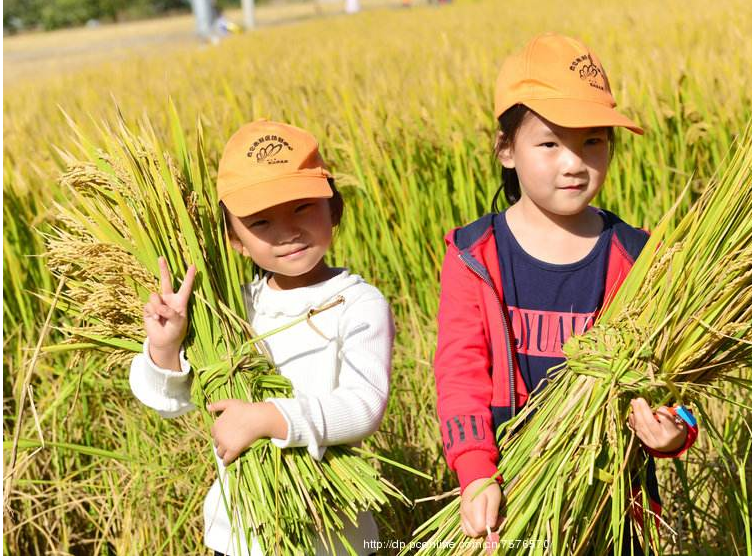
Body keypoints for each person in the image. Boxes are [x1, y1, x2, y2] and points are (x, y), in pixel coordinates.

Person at [432, 33, 699, 554]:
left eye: (592, 142)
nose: (574, 163)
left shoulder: (637, 257)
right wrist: (476, 473)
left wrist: (675, 432)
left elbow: (677, 379)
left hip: (613, 499)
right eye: (551, 143)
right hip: (510, 490)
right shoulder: (474, 256)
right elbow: (459, 374)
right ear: (506, 149)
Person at [130, 120, 393, 556]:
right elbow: (169, 405)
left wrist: (269, 418)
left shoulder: (358, 304)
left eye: (303, 207)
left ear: (335, 207)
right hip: (240, 537)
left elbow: (364, 407)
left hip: (333, 536)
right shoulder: (230, 310)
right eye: (262, 221)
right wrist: (165, 347)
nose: (287, 231)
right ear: (234, 239)